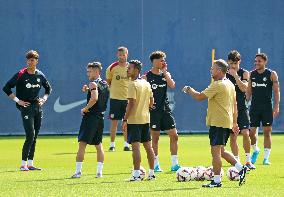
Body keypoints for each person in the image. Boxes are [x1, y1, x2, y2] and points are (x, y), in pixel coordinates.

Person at [182, 59, 248, 188]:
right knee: (222, 151)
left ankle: (217, 181)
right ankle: (241, 168)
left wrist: (188, 89)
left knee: (216, 152)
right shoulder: (229, 83)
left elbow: (199, 96)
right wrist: (234, 122)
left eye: (212, 68)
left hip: (218, 122)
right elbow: (235, 105)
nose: (210, 70)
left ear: (219, 70)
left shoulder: (217, 84)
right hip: (226, 121)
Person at [2, 50, 52, 171]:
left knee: (34, 137)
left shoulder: (40, 75)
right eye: (29, 60)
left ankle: (30, 163)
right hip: (25, 107)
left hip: (37, 107)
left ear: (37, 61)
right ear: (27, 61)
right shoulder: (20, 74)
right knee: (30, 135)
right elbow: (6, 88)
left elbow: (48, 89)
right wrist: (18, 101)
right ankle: (23, 164)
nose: (31, 62)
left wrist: (44, 99)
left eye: (33, 60)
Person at [143, 51, 180, 172]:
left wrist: (165, 73)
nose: (163, 62)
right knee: (155, 138)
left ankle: (175, 164)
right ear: (154, 62)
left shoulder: (165, 74)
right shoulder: (146, 76)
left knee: (174, 136)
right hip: (153, 112)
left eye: (164, 60)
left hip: (165, 110)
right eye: (160, 60)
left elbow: (173, 85)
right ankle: (156, 164)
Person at [71, 62, 109, 178]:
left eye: (90, 71)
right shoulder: (105, 83)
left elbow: (94, 98)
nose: (88, 73)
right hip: (100, 118)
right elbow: (99, 93)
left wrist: (85, 108)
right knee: (98, 145)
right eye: (87, 71)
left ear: (97, 71)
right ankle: (99, 172)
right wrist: (88, 89)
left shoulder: (93, 83)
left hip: (91, 117)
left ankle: (78, 172)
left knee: (82, 144)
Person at [121, 60, 156, 181]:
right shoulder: (146, 83)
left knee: (136, 148)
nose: (127, 70)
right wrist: (146, 107)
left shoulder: (132, 84)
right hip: (146, 119)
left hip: (134, 120)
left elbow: (131, 103)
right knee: (148, 147)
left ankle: (136, 175)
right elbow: (152, 101)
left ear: (136, 70)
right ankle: (152, 174)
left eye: (129, 68)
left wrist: (125, 119)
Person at [247, 53, 280, 165]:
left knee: (267, 132)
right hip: (254, 108)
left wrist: (276, 106)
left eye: (259, 61)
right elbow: (248, 92)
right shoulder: (251, 74)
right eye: (255, 61)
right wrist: (245, 106)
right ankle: (256, 150)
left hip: (267, 108)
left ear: (265, 62)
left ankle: (266, 158)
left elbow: (276, 91)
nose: (257, 63)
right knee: (251, 133)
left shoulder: (271, 74)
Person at [226, 50, 255, 170]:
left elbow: (244, 89)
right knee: (233, 136)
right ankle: (237, 161)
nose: (233, 66)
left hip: (242, 108)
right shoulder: (224, 74)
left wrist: (235, 75)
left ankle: (248, 161)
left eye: (236, 63)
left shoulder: (244, 73)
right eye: (231, 63)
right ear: (228, 62)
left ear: (239, 62)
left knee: (246, 133)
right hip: (229, 109)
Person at [106, 46, 131, 151]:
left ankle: (126, 144)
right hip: (115, 99)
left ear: (127, 55)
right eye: (120, 55)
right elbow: (109, 82)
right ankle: (112, 145)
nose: (121, 57)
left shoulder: (131, 67)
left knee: (126, 122)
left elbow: (134, 81)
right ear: (117, 55)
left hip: (128, 99)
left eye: (123, 54)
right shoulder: (112, 67)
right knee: (114, 122)